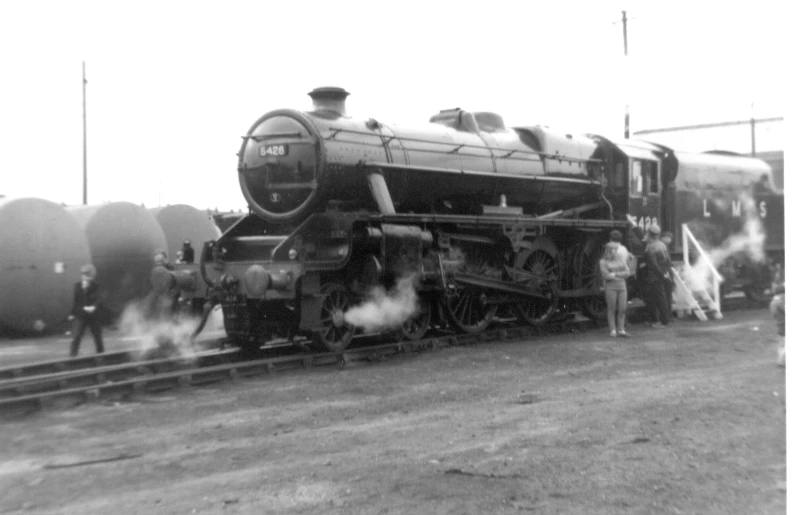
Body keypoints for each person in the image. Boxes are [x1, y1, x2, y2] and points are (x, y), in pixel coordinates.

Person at [69, 264, 105, 357]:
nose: (86, 277)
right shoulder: (77, 286)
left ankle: (101, 357)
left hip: (94, 315)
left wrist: (94, 307)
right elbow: (76, 301)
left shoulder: (97, 286)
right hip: (81, 315)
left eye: (89, 275)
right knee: (76, 337)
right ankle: (72, 357)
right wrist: (72, 313)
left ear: (92, 276)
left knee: (98, 337)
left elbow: (99, 299)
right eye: (84, 275)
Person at [643, 224, 672, 327]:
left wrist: (661, 275)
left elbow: (654, 265)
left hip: (655, 276)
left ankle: (664, 321)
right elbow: (668, 261)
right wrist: (665, 273)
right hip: (662, 272)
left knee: (660, 298)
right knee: (661, 297)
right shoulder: (662, 244)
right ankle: (661, 320)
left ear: (650, 234)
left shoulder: (651, 247)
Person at [600, 241, 632, 337]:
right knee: (611, 308)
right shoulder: (603, 261)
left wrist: (615, 274)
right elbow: (605, 275)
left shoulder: (621, 260)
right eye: (614, 250)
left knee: (622, 308)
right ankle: (613, 330)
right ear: (608, 251)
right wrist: (620, 275)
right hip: (611, 287)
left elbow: (627, 272)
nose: (616, 252)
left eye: (616, 250)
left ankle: (621, 329)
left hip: (622, 286)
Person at [770, 263, 785, 366]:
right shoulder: (779, 303)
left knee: (781, 344)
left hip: (778, 325)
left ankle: (780, 361)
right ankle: (782, 361)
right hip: (784, 325)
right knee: (785, 344)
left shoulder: (772, 302)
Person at [660, 231, 676, 314]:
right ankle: (667, 314)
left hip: (667, 271)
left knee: (668, 294)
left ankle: (668, 314)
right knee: (666, 294)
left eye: (670, 238)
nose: (669, 239)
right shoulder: (662, 247)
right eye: (667, 237)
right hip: (666, 271)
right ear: (662, 238)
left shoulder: (665, 247)